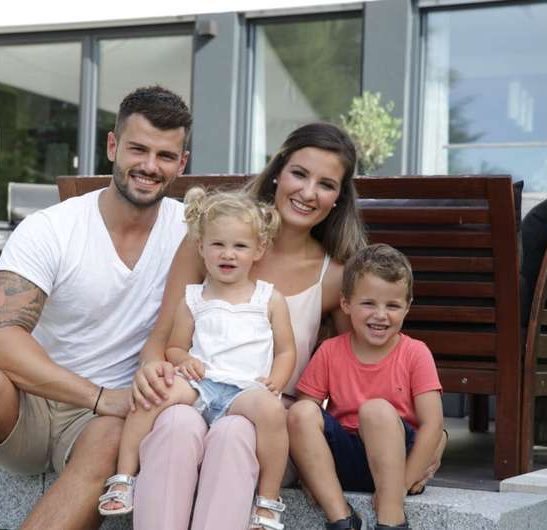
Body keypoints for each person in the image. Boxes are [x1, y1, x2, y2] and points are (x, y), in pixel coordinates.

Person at [0, 85, 192, 530]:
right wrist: (98, 396)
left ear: (182, 163)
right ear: (112, 146)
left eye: (165, 156)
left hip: (105, 425)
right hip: (30, 404)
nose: (149, 166)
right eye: (138, 149)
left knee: (115, 437)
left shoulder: (193, 236)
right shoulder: (53, 228)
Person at [131, 123, 387, 530]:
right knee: (177, 424)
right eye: (299, 174)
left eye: (325, 184)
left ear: (339, 197)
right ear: (278, 172)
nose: (308, 193)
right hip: (195, 395)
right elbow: (159, 339)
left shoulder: (334, 275)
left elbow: (356, 372)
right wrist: (152, 370)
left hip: (267, 422)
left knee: (234, 433)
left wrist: (426, 440)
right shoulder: (213, 243)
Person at [99, 188, 296, 530]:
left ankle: (268, 500)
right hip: (201, 384)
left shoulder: (269, 299)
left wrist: (276, 380)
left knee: (272, 412)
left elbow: (286, 349)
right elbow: (175, 346)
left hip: (245, 391)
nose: (228, 254)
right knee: (153, 395)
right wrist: (182, 361)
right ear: (201, 246)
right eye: (218, 244)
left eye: (240, 246)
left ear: (259, 250)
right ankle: (124, 477)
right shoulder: (193, 298)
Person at [288, 244, 445, 530]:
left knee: (375, 411)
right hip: (345, 457)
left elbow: (433, 425)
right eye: (369, 303)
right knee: (300, 411)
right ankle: (340, 518)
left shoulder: (416, 353)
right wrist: (307, 473)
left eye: (392, 305)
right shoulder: (330, 351)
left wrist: (403, 484)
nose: (380, 315)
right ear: (346, 303)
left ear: (407, 307)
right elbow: (303, 419)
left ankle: (391, 518)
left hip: (397, 460)